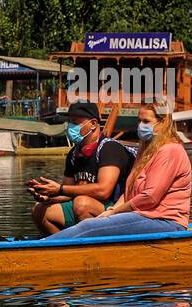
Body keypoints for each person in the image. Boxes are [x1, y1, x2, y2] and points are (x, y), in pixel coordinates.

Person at [48, 99, 191, 241]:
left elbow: (150, 197)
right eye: (139, 121)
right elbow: (129, 191)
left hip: (165, 221)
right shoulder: (146, 150)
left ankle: (42, 247)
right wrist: (112, 210)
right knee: (92, 224)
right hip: (144, 215)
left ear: (163, 123)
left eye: (146, 122)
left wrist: (115, 212)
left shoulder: (170, 150)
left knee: (89, 227)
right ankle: (45, 245)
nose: (140, 126)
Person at [28, 101, 134, 235]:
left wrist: (60, 189)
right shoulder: (74, 153)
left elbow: (103, 191)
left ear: (93, 124)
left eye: (75, 122)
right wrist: (49, 195)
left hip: (116, 210)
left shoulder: (109, 148)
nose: (70, 126)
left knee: (82, 203)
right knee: (39, 210)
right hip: (84, 207)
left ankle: (93, 248)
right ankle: (65, 249)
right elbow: (68, 193)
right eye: (69, 122)